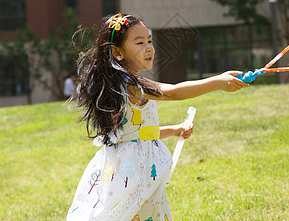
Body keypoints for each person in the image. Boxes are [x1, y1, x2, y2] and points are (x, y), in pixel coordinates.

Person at [66, 13, 248, 221]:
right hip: (134, 172)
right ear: (118, 52)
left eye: (149, 41)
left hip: (129, 168)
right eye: (140, 42)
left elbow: (135, 134)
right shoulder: (131, 84)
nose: (149, 47)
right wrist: (217, 82)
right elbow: (173, 92)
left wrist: (173, 130)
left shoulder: (120, 83)